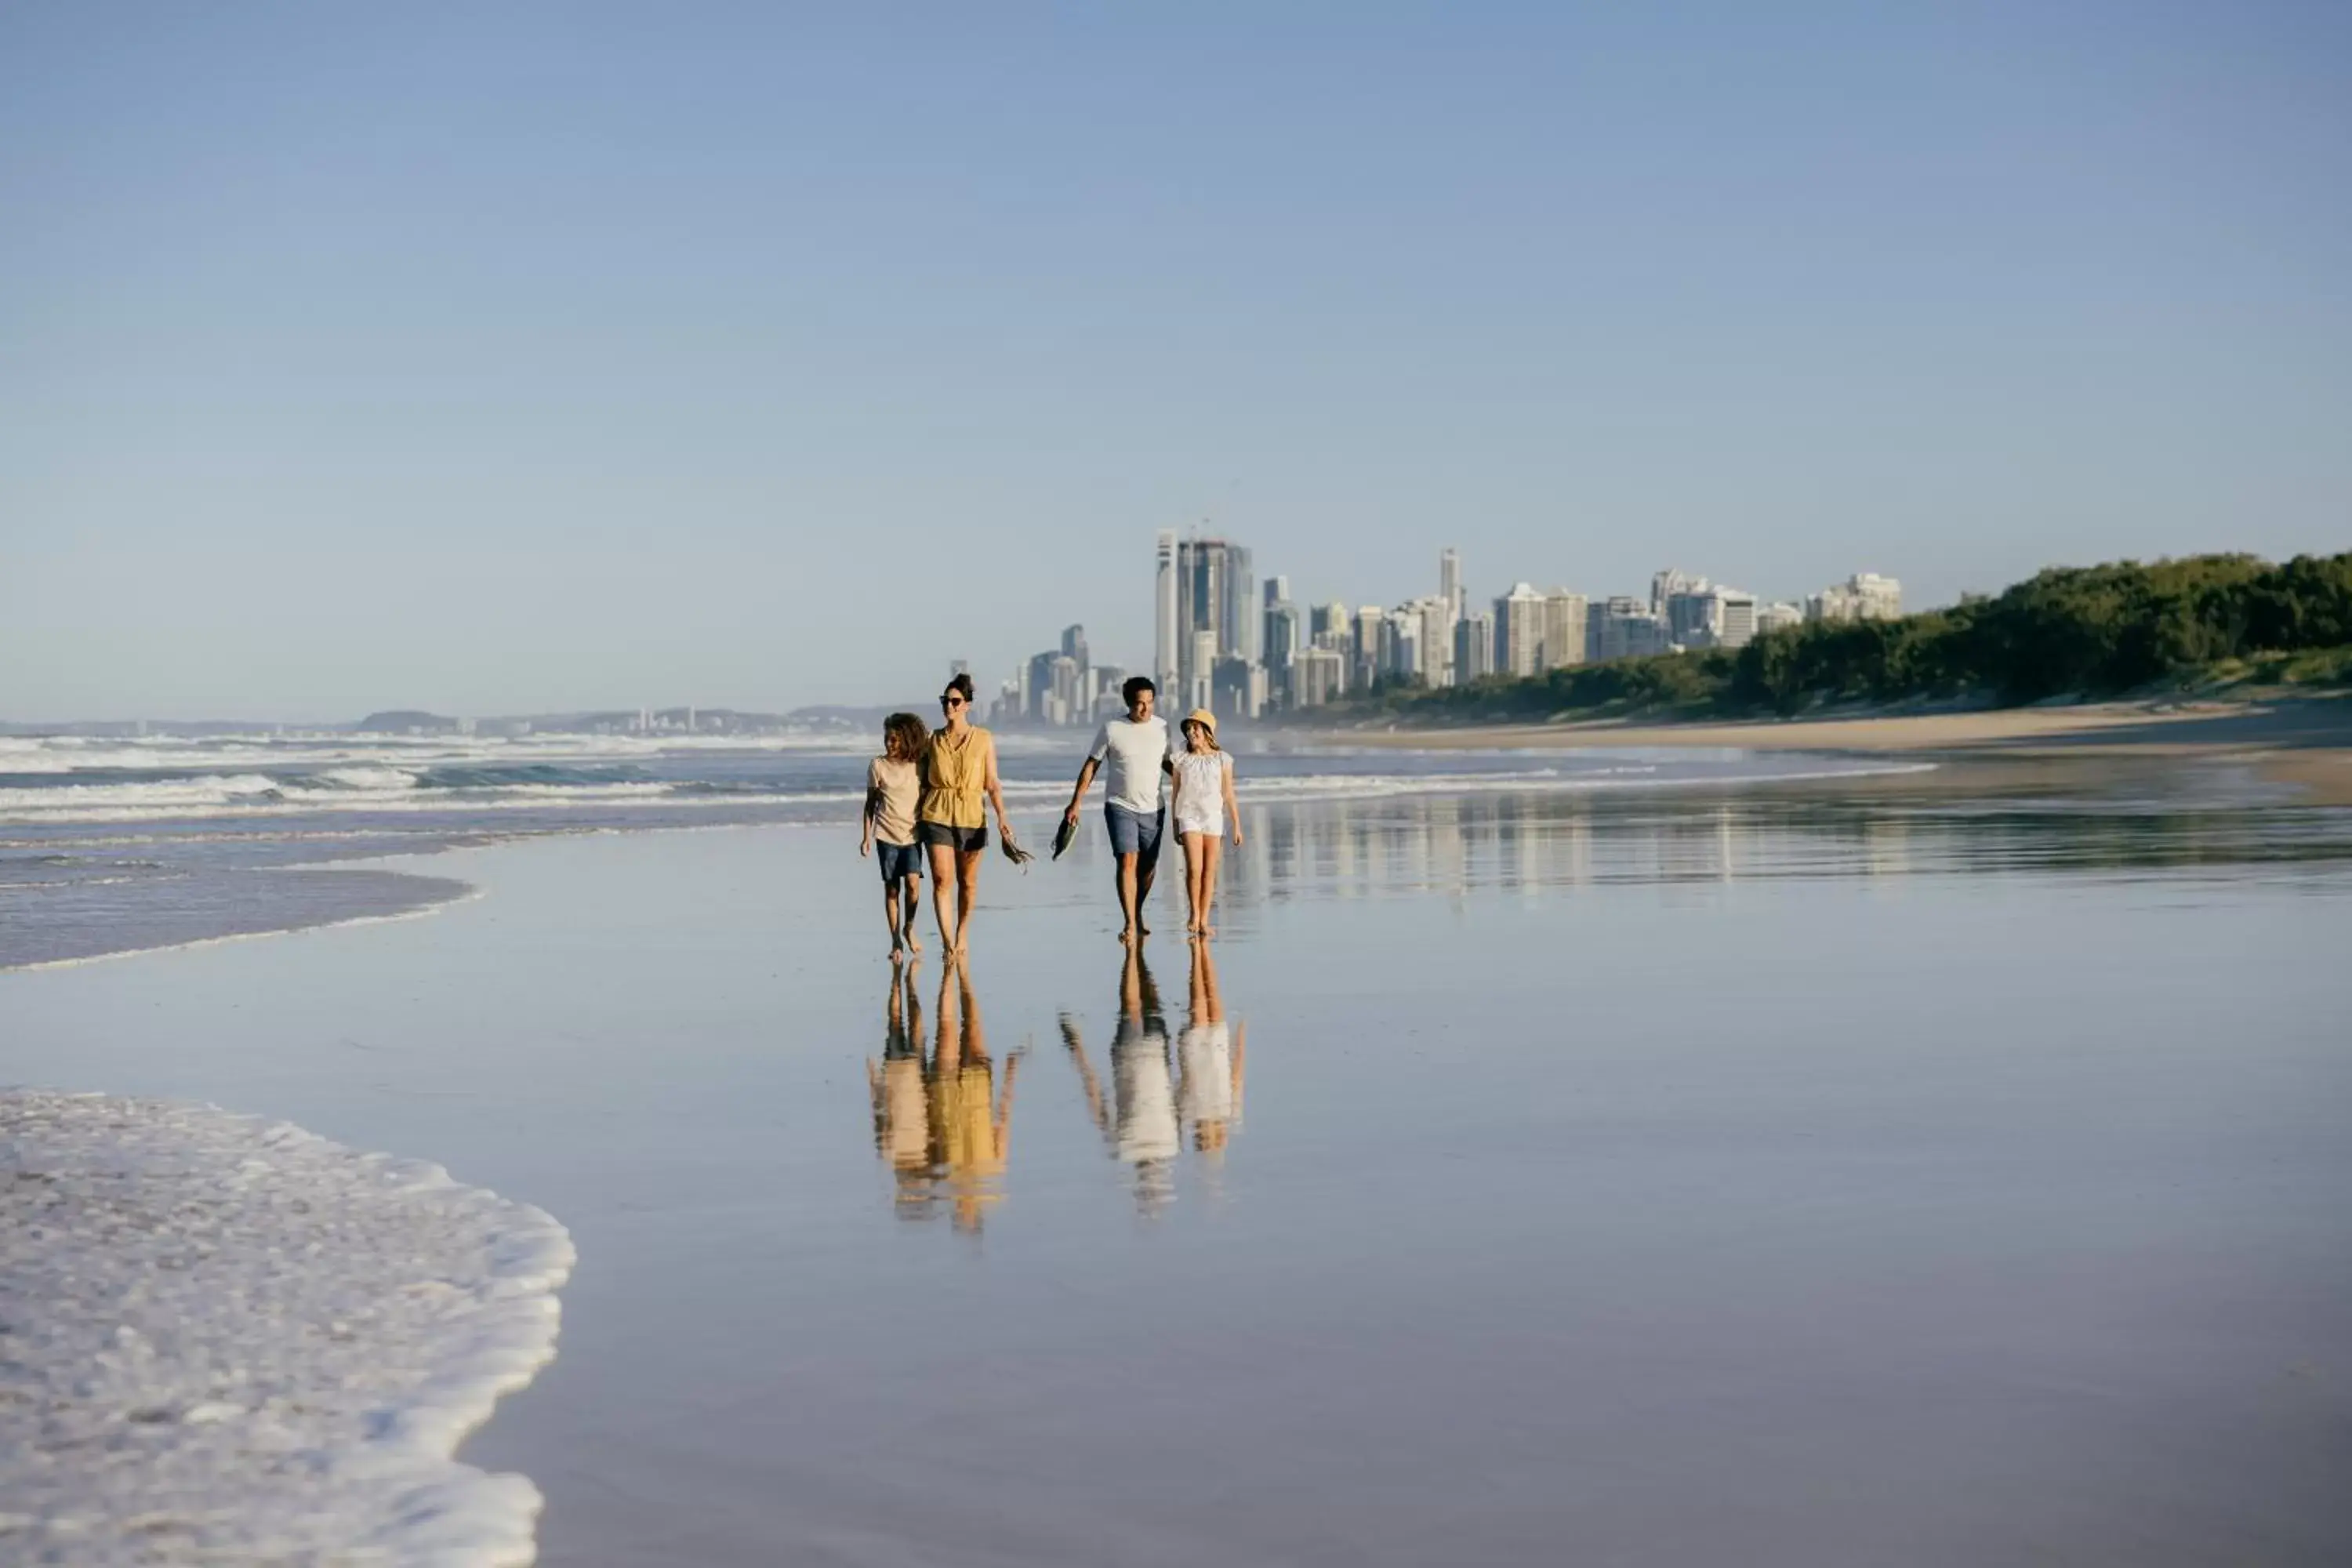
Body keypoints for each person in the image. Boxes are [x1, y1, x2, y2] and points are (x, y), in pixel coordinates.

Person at [1062, 675, 1174, 946]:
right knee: (1127, 861)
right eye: (1139, 704)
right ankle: (1130, 922)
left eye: (1149, 703)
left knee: (1148, 868)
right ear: (1128, 703)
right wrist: (1076, 802)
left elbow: (1169, 765)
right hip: (1119, 805)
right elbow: (1091, 765)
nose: (1145, 709)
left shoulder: (1163, 728)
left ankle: (1136, 909)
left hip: (1154, 808)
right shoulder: (1112, 729)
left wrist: (1195, 784)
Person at [916, 673, 1011, 960]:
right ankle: (948, 944)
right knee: (942, 880)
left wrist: (1003, 818)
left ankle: (962, 934)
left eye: (955, 701)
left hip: (972, 815)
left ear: (967, 705)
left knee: (967, 882)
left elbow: (992, 782)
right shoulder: (932, 740)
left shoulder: (983, 739)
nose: (949, 706)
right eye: (945, 700)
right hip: (937, 813)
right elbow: (919, 781)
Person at [859, 711, 928, 960]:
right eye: (887, 739)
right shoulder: (877, 765)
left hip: (912, 835)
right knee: (891, 890)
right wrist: (866, 837)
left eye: (894, 740)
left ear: (906, 740)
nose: (889, 744)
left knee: (913, 884)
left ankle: (909, 927)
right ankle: (896, 939)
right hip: (886, 834)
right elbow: (870, 805)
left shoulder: (918, 764)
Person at [1170, 707, 1243, 938]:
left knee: (1210, 871)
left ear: (1207, 731)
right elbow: (1175, 792)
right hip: (1188, 815)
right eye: (1188, 729)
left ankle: (1204, 920)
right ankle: (1193, 914)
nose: (1191, 732)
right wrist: (1174, 823)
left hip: (1213, 816)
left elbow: (1229, 794)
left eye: (1195, 728)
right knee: (1194, 868)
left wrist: (1237, 825)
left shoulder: (1223, 759)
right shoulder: (1181, 758)